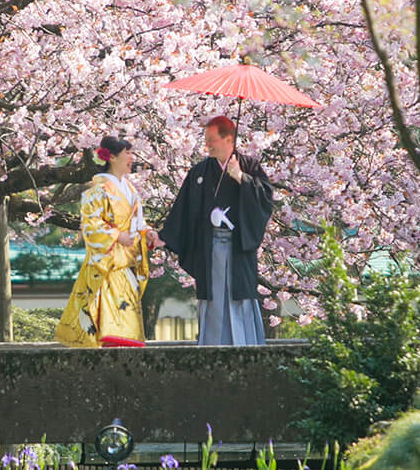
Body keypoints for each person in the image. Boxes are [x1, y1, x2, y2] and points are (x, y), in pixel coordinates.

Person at [159, 114, 274, 345]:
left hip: (238, 249)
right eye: (206, 140)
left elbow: (266, 200)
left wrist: (241, 178)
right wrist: (163, 238)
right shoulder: (200, 172)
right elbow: (182, 210)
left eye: (212, 140)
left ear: (228, 139)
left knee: (239, 299)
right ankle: (212, 349)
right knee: (212, 303)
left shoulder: (249, 166)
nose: (207, 145)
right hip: (209, 249)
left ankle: (245, 350)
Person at [55, 133, 157, 347]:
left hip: (127, 262)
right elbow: (91, 225)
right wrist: (117, 235)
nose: (132, 158)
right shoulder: (99, 190)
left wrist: (147, 233)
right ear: (111, 157)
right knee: (110, 326)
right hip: (108, 264)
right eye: (127, 153)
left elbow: (138, 222)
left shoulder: (129, 189)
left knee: (127, 322)